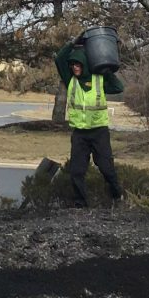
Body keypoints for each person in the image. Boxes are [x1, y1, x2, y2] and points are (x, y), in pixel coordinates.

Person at [54, 35, 125, 208]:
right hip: (79, 134)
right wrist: (72, 43)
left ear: (85, 64)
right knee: (76, 171)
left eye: (78, 64)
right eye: (73, 65)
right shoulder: (71, 79)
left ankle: (117, 196)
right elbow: (60, 59)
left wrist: (107, 71)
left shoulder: (99, 80)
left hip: (99, 132)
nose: (74, 67)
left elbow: (118, 88)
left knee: (106, 168)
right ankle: (81, 204)